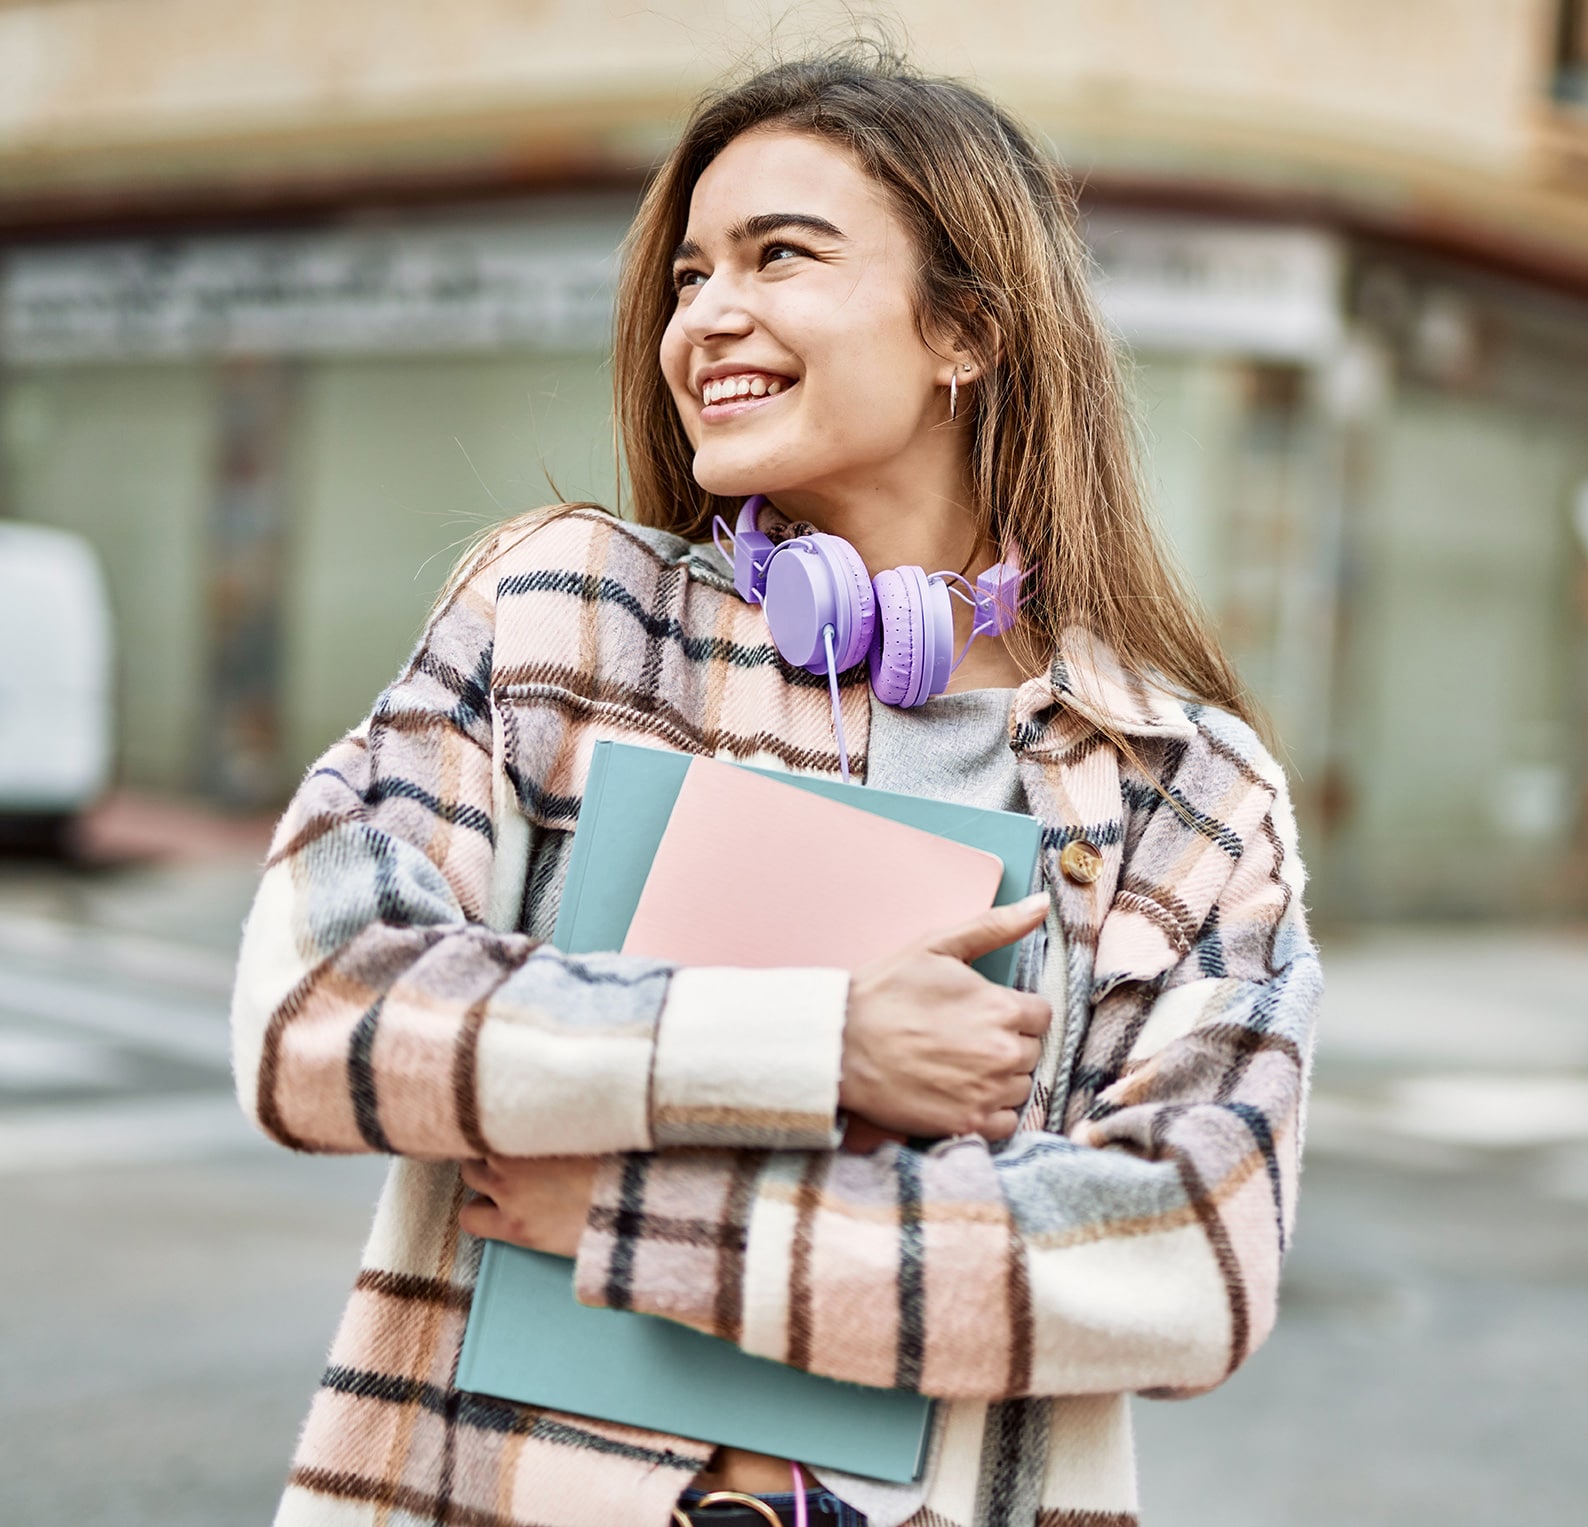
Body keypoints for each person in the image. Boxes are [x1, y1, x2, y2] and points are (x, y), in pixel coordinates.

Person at [231, 46, 1320, 1527]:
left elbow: (1189, 1257)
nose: (707, 318)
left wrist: (654, 1220)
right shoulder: (574, 616)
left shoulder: (1178, 784)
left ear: (967, 330)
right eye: (689, 275)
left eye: (779, 257)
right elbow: (316, 1002)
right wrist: (815, 1043)